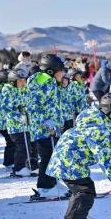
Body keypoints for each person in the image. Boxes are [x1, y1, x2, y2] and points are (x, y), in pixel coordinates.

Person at [46, 93, 111, 219]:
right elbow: (107, 162)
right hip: (68, 163)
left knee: (83, 191)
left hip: (69, 162)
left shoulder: (99, 124)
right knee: (84, 192)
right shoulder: (100, 131)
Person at [26, 54, 66, 197]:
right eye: (61, 71)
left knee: (52, 155)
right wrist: (46, 123)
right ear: (51, 70)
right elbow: (34, 104)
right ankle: (45, 187)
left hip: (49, 126)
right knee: (48, 157)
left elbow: (50, 102)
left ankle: (52, 182)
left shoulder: (45, 80)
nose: (64, 73)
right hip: (44, 127)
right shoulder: (44, 81)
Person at [1, 68, 38, 177]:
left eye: (24, 80)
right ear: (13, 82)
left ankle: (33, 167)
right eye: (20, 81)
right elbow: (6, 109)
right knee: (22, 147)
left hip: (28, 125)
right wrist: (19, 116)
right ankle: (19, 168)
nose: (23, 83)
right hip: (16, 127)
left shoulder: (26, 90)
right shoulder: (8, 91)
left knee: (32, 146)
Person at [0, 69, 16, 171]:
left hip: (4, 122)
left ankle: (11, 161)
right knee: (11, 142)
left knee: (12, 142)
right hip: (5, 123)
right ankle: (9, 162)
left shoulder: (1, 89)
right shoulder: (3, 90)